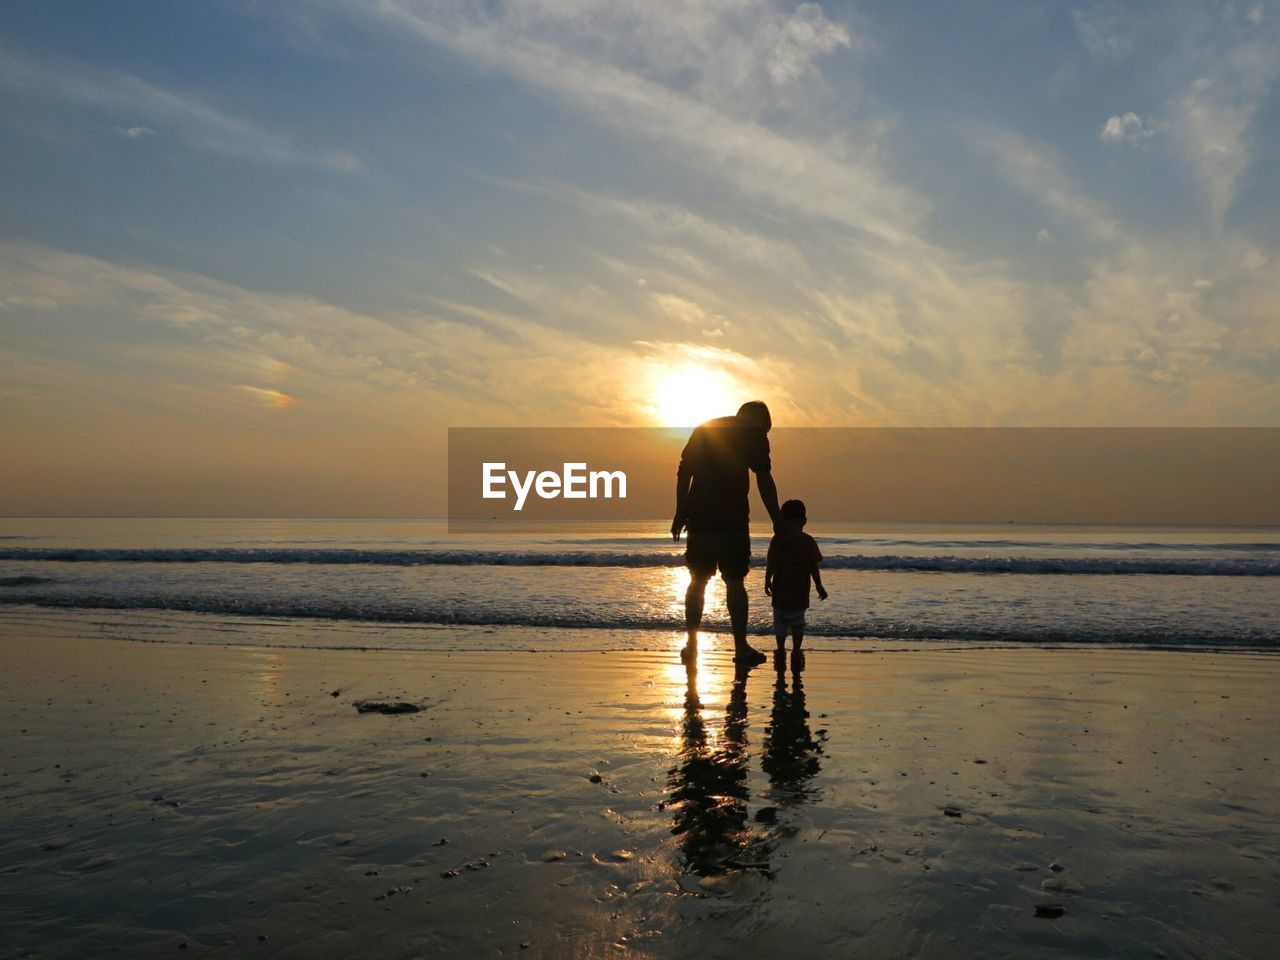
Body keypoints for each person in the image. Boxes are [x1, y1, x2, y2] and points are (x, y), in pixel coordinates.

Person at [671, 400, 781, 665]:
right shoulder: (753, 434)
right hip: (732, 520)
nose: (764, 436)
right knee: (734, 581)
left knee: (698, 580)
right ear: (758, 421)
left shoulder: (705, 429)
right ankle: (741, 647)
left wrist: (680, 512)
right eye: (765, 430)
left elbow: (684, 474)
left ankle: (692, 644)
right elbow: (763, 479)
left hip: (700, 518)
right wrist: (776, 518)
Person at [764, 499, 826, 663]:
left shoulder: (778, 539)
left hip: (781, 590)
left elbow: (772, 562)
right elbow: (814, 567)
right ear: (804, 521)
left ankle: (781, 650)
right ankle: (797, 650)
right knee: (798, 622)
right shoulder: (807, 541)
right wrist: (819, 586)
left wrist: (767, 579)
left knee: (780, 622)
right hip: (799, 591)